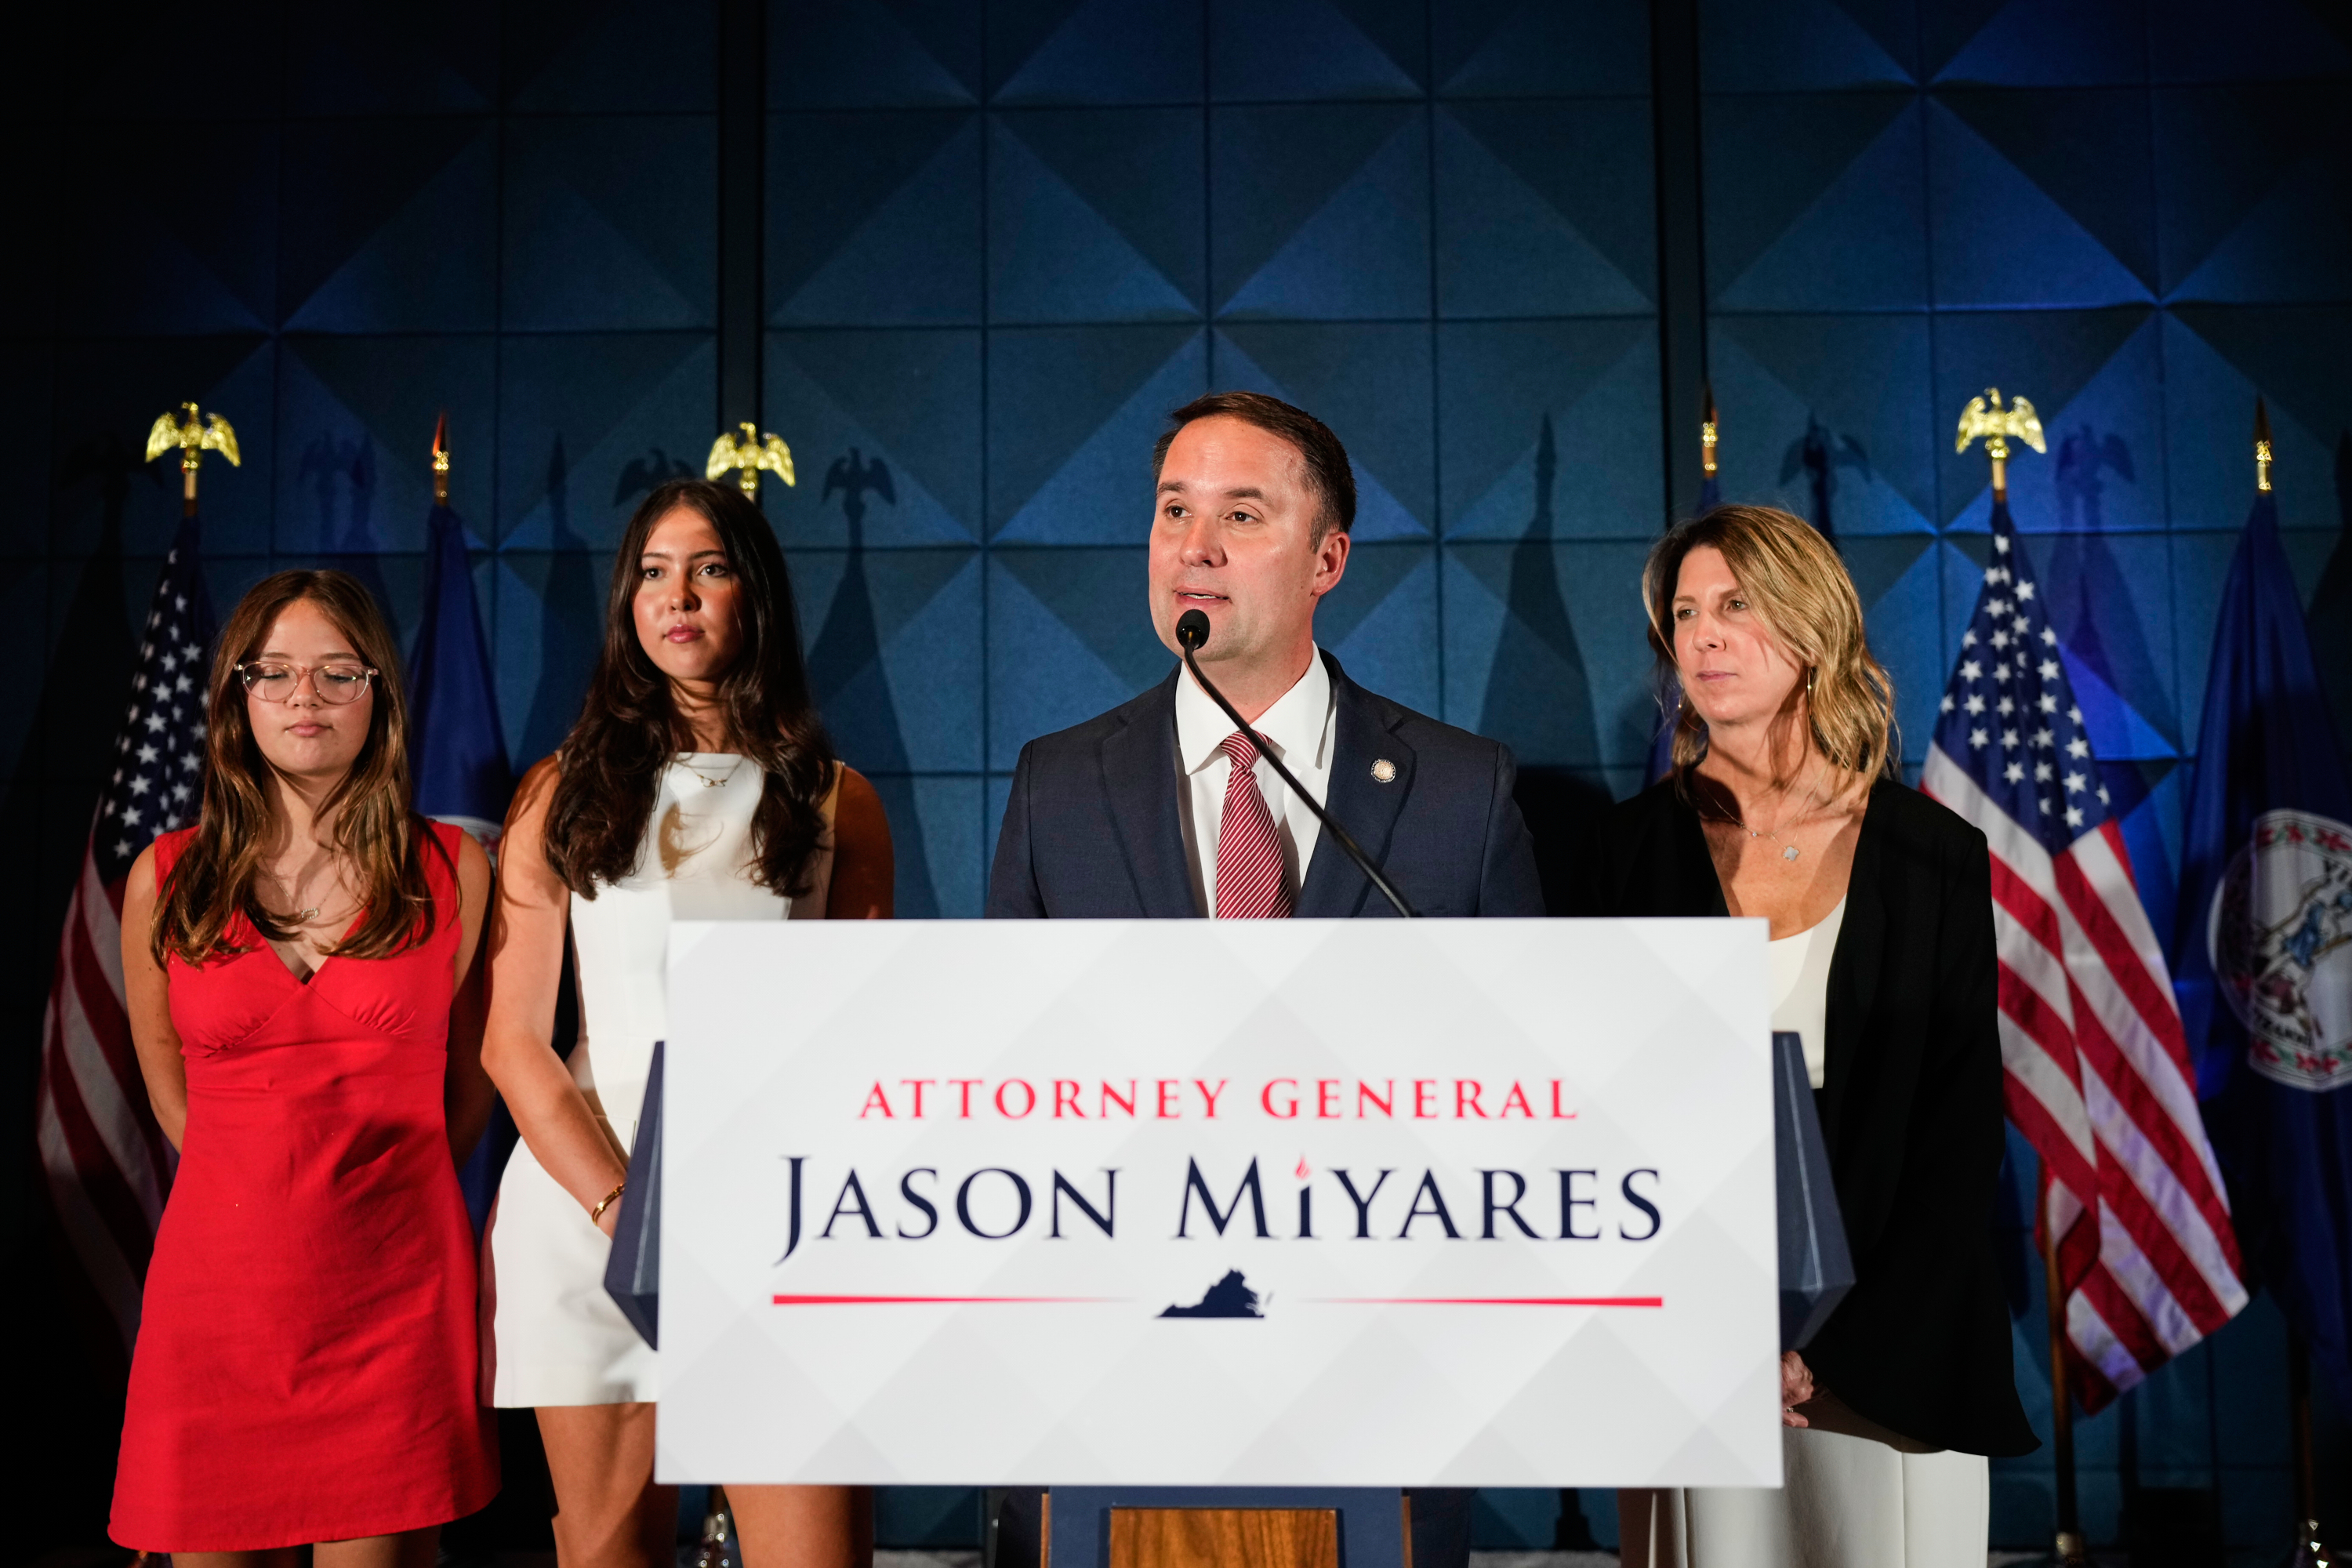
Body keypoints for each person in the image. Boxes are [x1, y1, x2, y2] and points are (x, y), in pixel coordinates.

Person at [986, 390, 1543, 1568]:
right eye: (1174, 511)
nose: (1194, 545)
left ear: (1328, 557)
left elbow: (1523, 1093)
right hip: (1115, 1397)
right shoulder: (1057, 786)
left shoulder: (1459, 790)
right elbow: (1008, 1084)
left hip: (1380, 1395)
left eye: (1242, 513)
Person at [1584, 506, 2036, 1568]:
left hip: (1896, 1363)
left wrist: (1830, 1351)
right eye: (1685, 614)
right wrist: (1722, 1336)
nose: (1702, 637)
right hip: (1695, 1361)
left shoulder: (1934, 855)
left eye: (1735, 606)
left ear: (1812, 627)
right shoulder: (1619, 859)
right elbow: (1605, 1128)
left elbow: (1959, 1138)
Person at [480, 478, 893, 1568]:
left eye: (708, 568)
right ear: (626, 607)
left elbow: (863, 1039)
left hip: (770, 1208)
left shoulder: (835, 797)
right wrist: (625, 1208)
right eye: (653, 574)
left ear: (752, 596)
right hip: (590, 1206)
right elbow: (512, 1040)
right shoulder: (556, 794)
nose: (680, 595)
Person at [112, 570, 499, 1566]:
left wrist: (364, 1193)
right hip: (219, 1307)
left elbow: (471, 1092)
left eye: (337, 672)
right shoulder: (165, 877)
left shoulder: (455, 868)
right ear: (236, 695)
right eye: (272, 671)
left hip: (392, 1303)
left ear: (382, 695)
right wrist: (269, 1191)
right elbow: (166, 1090)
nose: (303, 697)